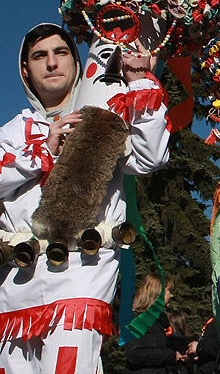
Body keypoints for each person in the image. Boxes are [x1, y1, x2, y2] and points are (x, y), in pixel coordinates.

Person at [0, 23, 171, 374]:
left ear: (76, 64)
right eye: (39, 56)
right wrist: (43, 152)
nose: (51, 63)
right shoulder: (12, 132)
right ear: (25, 70)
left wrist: (139, 81)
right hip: (16, 287)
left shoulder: (105, 119)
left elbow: (151, 157)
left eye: (61, 53)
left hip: (83, 273)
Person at [124, 275, 196, 374]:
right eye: (169, 291)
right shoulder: (136, 320)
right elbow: (135, 354)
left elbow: (165, 342)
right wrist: (171, 356)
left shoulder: (159, 319)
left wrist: (186, 346)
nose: (171, 296)